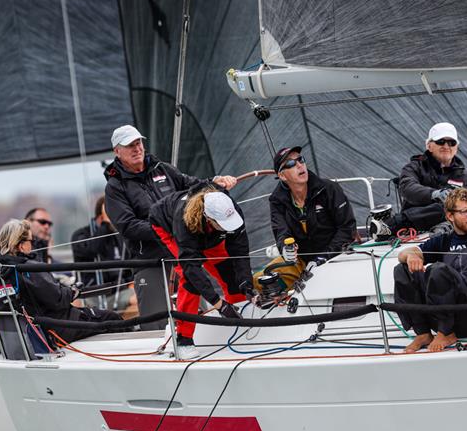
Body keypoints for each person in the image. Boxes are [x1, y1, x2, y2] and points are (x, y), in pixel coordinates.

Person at [103, 124, 238, 330]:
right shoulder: (115, 187)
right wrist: (169, 228)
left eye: (138, 142)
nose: (137, 148)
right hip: (151, 260)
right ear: (117, 151)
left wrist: (214, 183)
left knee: (201, 315)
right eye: (130, 145)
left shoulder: (163, 169)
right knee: (156, 323)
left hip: (184, 252)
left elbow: (192, 186)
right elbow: (128, 226)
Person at [150, 184, 254, 359]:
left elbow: (240, 250)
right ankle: (183, 339)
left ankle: (241, 319)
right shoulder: (183, 221)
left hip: (210, 236)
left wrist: (247, 284)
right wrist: (218, 304)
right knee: (190, 281)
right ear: (208, 218)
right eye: (224, 224)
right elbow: (192, 270)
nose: (230, 226)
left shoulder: (230, 209)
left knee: (230, 274)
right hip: (168, 227)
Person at [0, 219, 122, 348]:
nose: (33, 244)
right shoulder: (28, 268)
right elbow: (58, 299)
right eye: (31, 240)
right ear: (22, 245)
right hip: (56, 329)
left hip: (24, 338)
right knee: (112, 318)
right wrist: (73, 291)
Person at [393, 188, 467, 353]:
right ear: (450, 216)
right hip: (446, 310)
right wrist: (411, 256)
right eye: (465, 211)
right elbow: (403, 254)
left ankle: (446, 333)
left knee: (438, 269)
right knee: (402, 269)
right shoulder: (443, 241)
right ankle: (423, 332)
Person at [263, 146, 356, 293]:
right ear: (282, 176)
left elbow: (347, 229)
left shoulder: (329, 189)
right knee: (261, 280)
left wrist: (323, 257)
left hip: (336, 254)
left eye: (300, 159)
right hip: (301, 260)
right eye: (291, 164)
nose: (299, 165)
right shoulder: (277, 200)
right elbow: (281, 232)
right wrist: (285, 249)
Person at [390, 123, 467, 234]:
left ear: (456, 148)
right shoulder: (414, 167)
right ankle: (394, 224)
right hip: (413, 229)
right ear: (429, 146)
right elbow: (407, 187)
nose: (446, 146)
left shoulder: (465, 175)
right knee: (445, 206)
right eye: (440, 141)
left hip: (449, 228)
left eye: (452, 143)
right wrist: (435, 194)